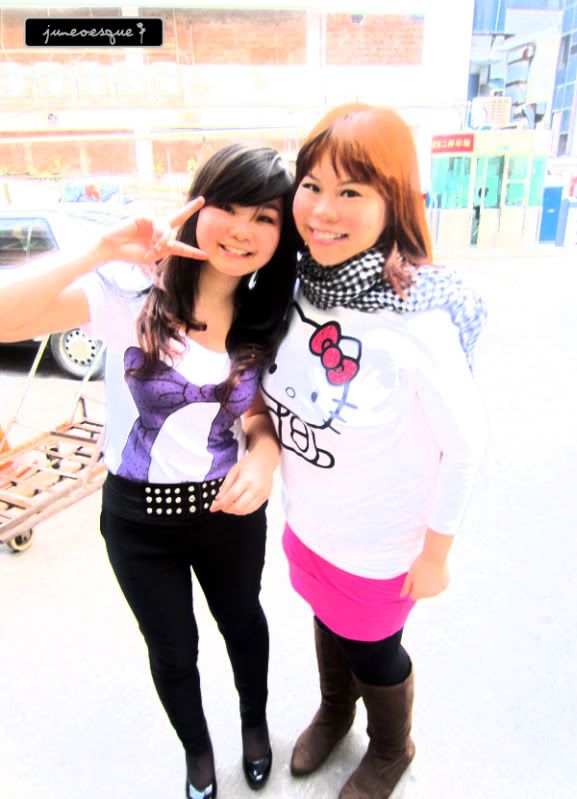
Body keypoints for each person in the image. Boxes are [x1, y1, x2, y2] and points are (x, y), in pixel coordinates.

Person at [0, 142, 298, 799]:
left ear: (282, 236)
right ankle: (198, 754)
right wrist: (96, 251)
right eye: (228, 206)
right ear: (198, 206)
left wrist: (264, 453)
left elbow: (253, 413)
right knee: (172, 650)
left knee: (243, 625)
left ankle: (254, 727)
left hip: (228, 513)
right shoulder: (132, 292)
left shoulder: (267, 315)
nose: (242, 229)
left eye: (265, 217)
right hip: (138, 521)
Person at [260, 104, 489, 799]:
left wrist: (436, 554)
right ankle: (336, 709)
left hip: (380, 545)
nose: (322, 210)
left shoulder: (417, 313)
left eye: (351, 191)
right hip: (310, 526)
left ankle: (391, 746)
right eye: (311, 185)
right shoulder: (296, 286)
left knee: (373, 647)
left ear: (393, 201)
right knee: (326, 621)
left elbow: (466, 448)